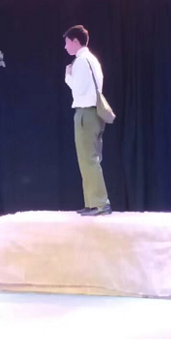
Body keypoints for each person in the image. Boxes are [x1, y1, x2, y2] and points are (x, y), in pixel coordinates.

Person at [64, 25, 111, 216]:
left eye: (67, 42)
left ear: (76, 41)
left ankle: (100, 203)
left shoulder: (81, 61)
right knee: (88, 158)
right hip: (93, 113)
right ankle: (92, 203)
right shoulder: (92, 59)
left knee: (88, 159)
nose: (65, 47)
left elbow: (79, 89)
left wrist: (68, 76)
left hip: (86, 112)